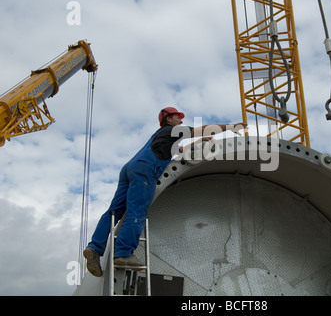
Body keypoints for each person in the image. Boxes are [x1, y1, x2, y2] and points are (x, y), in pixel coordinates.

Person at [83, 107, 247, 277]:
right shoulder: (173, 130)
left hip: (130, 168)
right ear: (169, 119)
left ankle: (94, 248)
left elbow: (181, 150)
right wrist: (231, 128)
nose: (181, 121)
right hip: (146, 169)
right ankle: (123, 253)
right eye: (178, 117)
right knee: (137, 211)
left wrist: (198, 143)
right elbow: (204, 129)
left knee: (113, 212)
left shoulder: (161, 135)